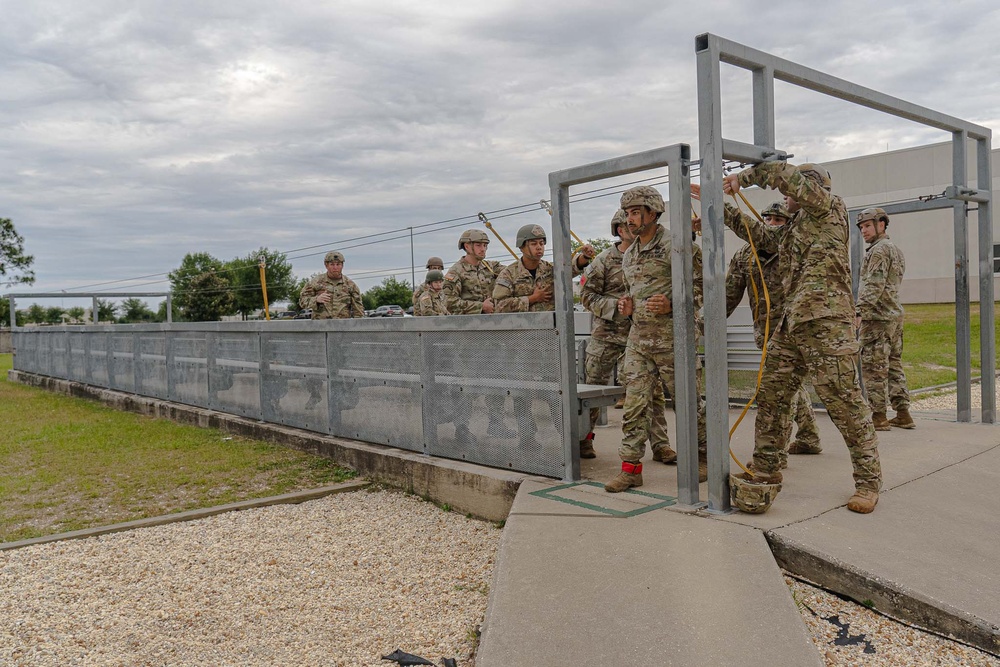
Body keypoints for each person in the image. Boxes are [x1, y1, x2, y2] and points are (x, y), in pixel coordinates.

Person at [721, 162, 882, 514]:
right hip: (790, 325)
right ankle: (765, 468)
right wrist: (720, 208)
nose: (784, 197)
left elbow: (783, 174)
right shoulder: (793, 230)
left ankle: (868, 482)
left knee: (844, 402)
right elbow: (758, 235)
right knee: (772, 397)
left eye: (790, 192)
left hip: (827, 324)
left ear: (807, 189)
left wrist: (744, 179)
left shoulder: (828, 208)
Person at [604, 186, 709, 493]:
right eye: (627, 213)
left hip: (674, 340)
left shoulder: (678, 245)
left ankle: (703, 458)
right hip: (639, 340)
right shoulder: (631, 252)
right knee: (634, 405)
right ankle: (631, 469)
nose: (630, 219)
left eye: (635, 212)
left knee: (689, 403)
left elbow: (706, 287)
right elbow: (632, 291)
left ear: (653, 212)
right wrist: (626, 304)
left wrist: (675, 303)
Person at [725, 201, 822, 460]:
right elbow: (728, 295)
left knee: (780, 390)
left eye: (778, 221)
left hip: (796, 330)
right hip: (766, 332)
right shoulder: (745, 255)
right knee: (788, 385)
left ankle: (775, 454)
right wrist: (702, 323)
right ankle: (808, 435)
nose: (771, 224)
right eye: (767, 219)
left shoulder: (793, 251)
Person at [581, 209, 672, 462]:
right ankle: (584, 440)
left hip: (640, 335)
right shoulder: (603, 260)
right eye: (628, 224)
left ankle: (661, 445)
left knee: (650, 391)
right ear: (620, 230)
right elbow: (587, 295)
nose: (635, 227)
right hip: (607, 335)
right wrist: (617, 307)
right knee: (594, 391)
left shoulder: (649, 255)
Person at [494, 224, 595, 448]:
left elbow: (570, 270)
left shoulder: (549, 269)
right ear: (522, 246)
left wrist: (582, 258)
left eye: (541, 243)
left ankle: (572, 440)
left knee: (558, 390)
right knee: (523, 393)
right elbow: (498, 305)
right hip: (521, 345)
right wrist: (531, 298)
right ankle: (528, 438)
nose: (539, 248)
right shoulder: (509, 274)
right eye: (534, 243)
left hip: (550, 343)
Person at [444, 229, 517, 438]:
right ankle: (462, 427)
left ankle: (496, 424)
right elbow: (448, 303)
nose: (483, 248)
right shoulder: (455, 272)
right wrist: (479, 307)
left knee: (496, 380)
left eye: (485, 245)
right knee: (466, 384)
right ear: (467, 246)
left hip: (492, 338)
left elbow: (513, 271)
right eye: (479, 245)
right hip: (467, 340)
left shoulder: (490, 267)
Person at [855, 207, 912, 429]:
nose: (864, 231)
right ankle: (903, 413)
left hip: (877, 318)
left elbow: (874, 284)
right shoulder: (895, 250)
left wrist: (859, 311)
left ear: (881, 224)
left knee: (873, 366)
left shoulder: (878, 251)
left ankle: (878, 417)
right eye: (861, 227)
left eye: (868, 225)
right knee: (894, 364)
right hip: (894, 316)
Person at [299, 251, 364, 319]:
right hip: (320, 327)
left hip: (342, 327)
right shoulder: (315, 282)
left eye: (338, 264)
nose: (335, 267)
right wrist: (316, 300)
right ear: (326, 265)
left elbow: (358, 312)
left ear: (342, 265)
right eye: (332, 264)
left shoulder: (350, 285)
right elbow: (302, 301)